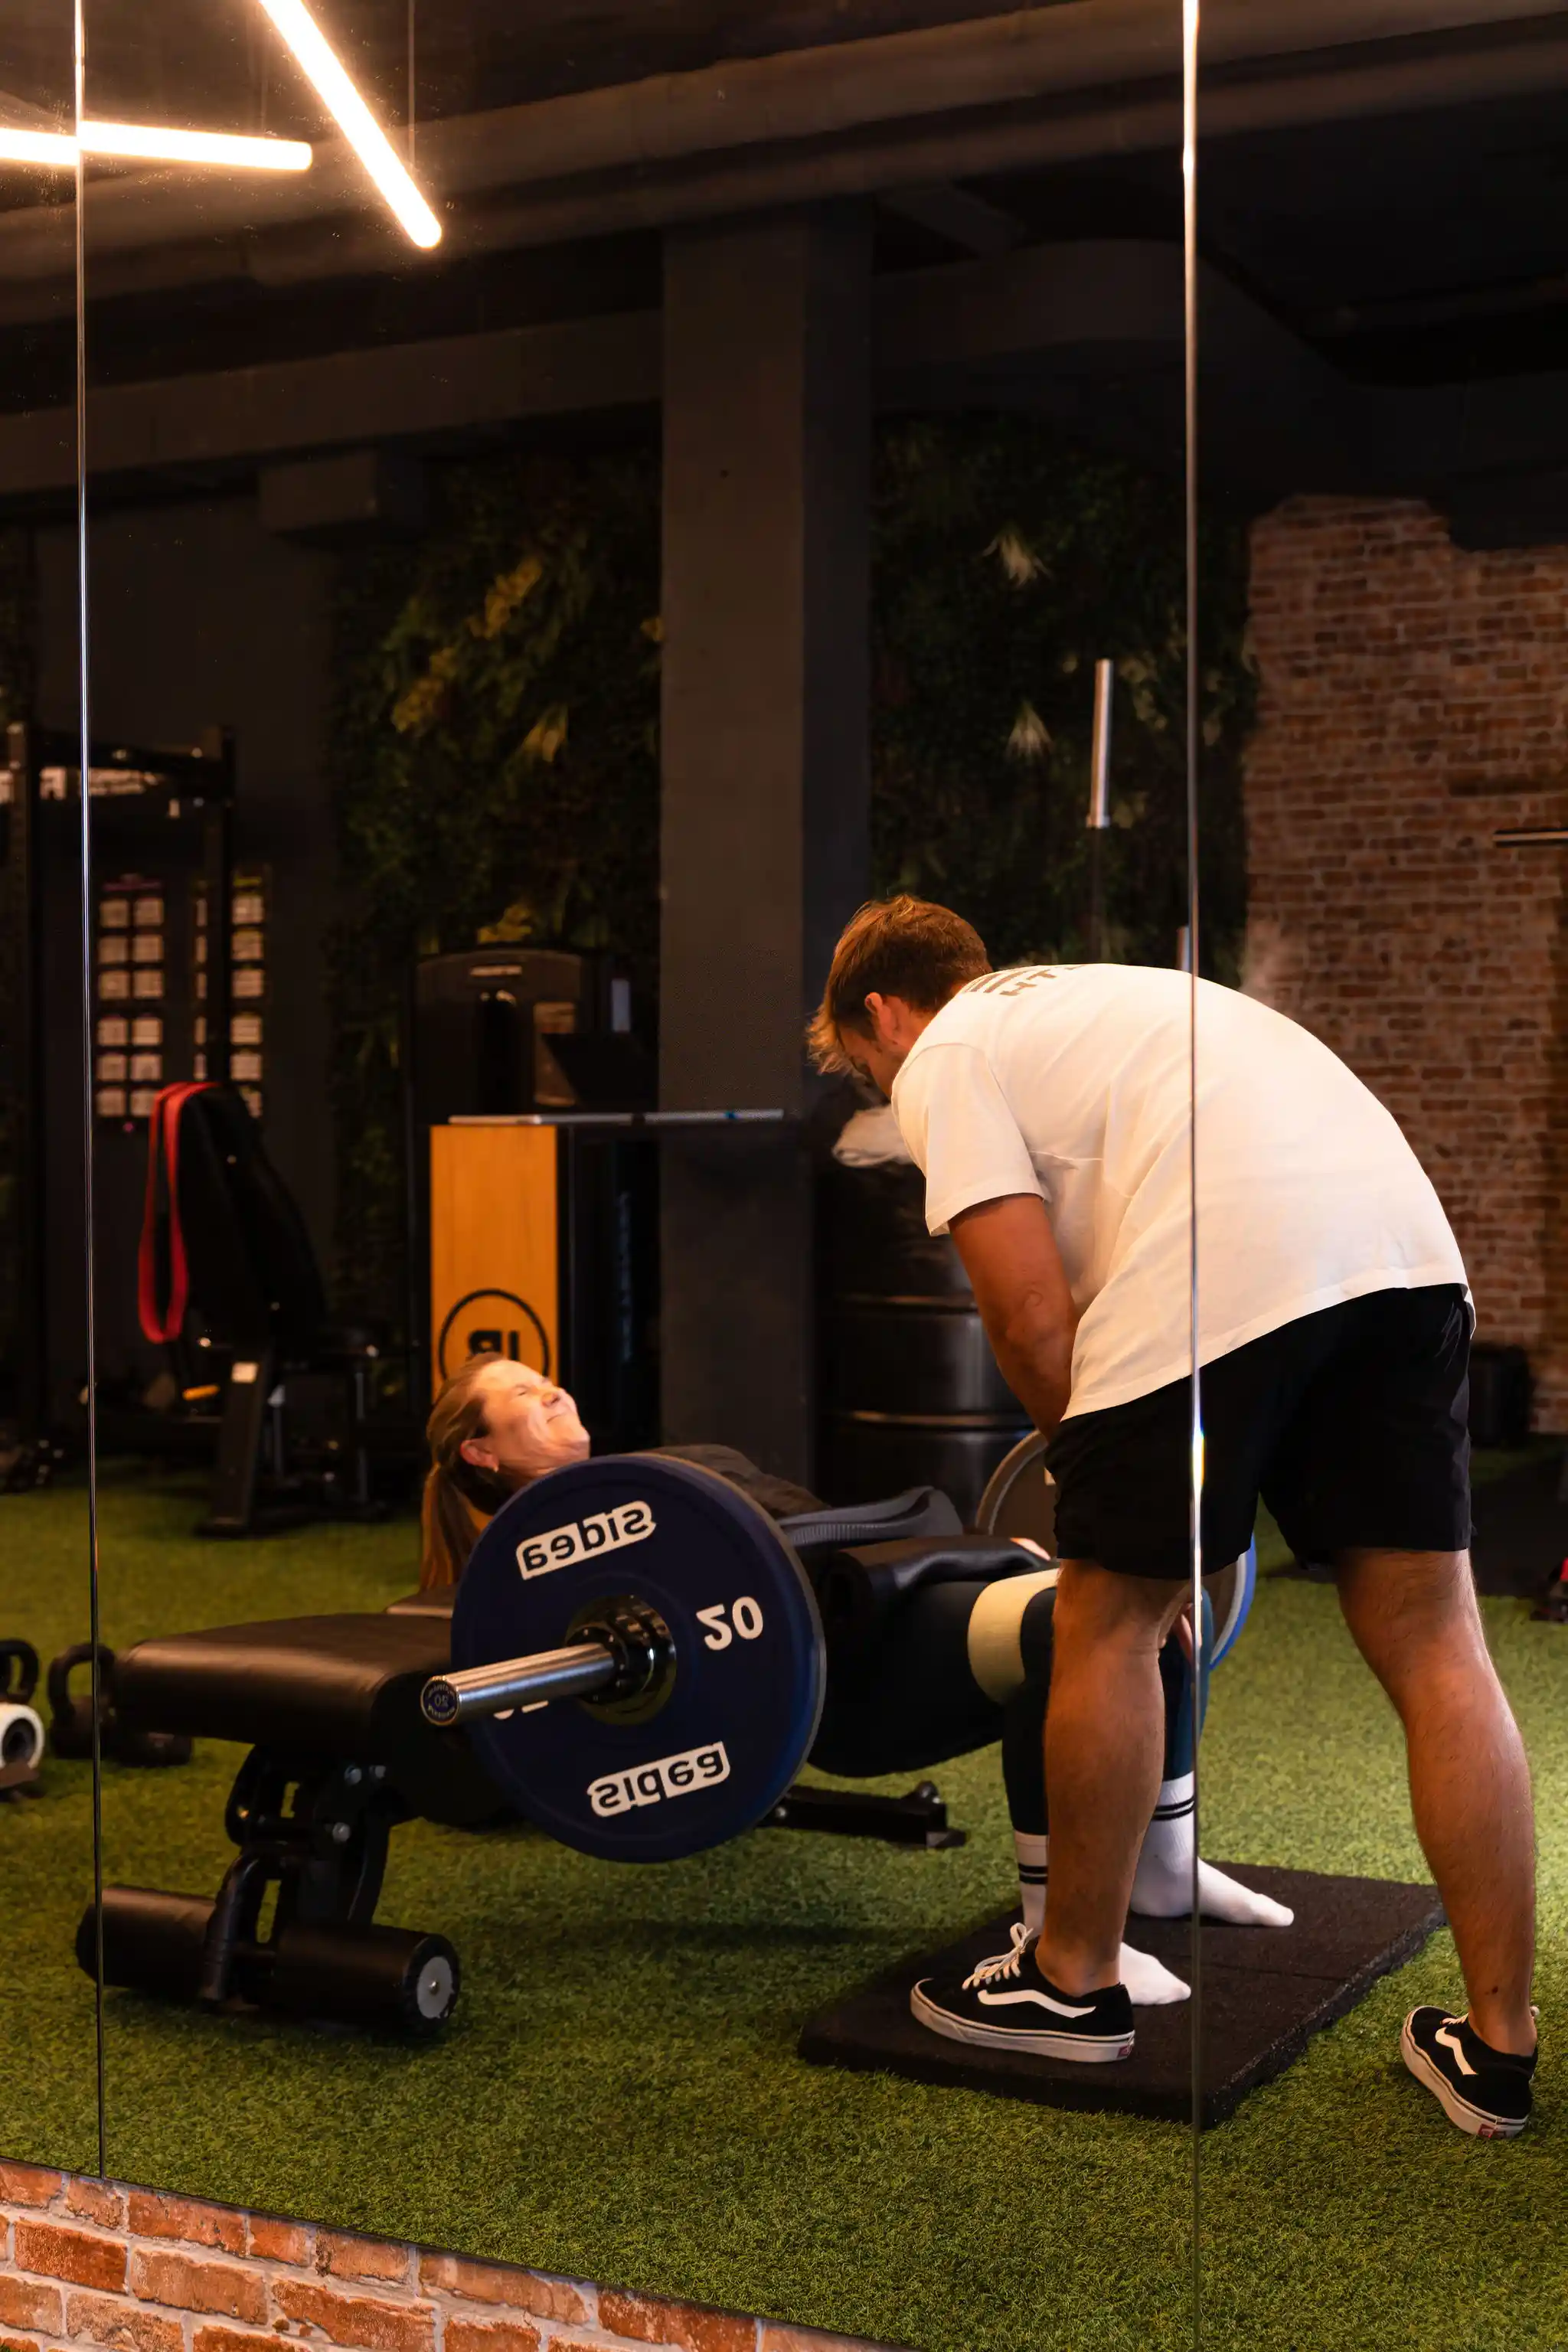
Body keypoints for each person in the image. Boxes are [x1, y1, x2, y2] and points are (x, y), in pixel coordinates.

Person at [809, 894, 1537, 2138]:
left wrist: (1111, 1517)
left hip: (1233, 1256)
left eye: (863, 1068)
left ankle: (1069, 1981)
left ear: (882, 1012)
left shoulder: (949, 1053)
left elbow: (1033, 1318)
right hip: (1406, 1255)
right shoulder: (1107, 1001)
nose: (881, 1092)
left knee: (1104, 1619)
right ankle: (1499, 2049)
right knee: (1436, 1642)